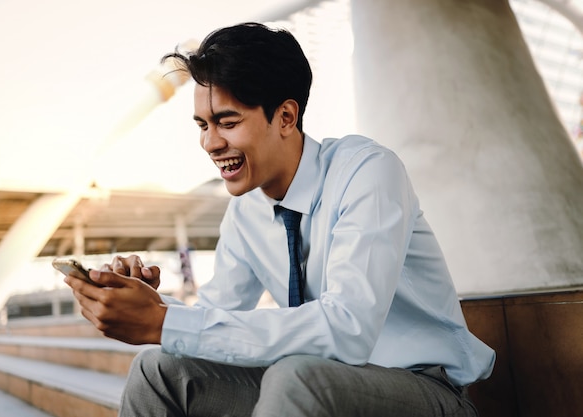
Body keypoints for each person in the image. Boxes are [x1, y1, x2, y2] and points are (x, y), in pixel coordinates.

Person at [65, 22, 495, 417]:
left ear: (286, 116)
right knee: (157, 369)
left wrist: (164, 321)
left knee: (296, 377)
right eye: (202, 125)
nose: (211, 143)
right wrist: (152, 305)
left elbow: (348, 329)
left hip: (426, 392)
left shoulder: (367, 172)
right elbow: (216, 321)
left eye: (226, 122)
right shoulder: (246, 212)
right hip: (320, 385)